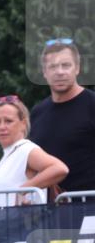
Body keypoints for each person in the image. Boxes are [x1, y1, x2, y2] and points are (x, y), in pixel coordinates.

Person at [0, 95, 68, 207]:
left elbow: (60, 168)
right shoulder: (9, 154)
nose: (2, 127)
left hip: (25, 218)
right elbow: (5, 200)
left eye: (8, 121)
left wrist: (23, 190)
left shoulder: (26, 149)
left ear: (23, 123)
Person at [29, 39, 95, 195]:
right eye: (53, 66)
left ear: (77, 68)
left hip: (89, 203)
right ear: (44, 72)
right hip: (49, 206)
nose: (59, 72)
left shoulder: (92, 105)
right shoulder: (37, 113)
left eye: (66, 65)